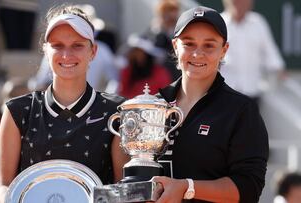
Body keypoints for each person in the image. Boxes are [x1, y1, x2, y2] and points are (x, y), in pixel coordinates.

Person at [0, 4, 129, 203]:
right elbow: (4, 185)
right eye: (57, 45)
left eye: (77, 45)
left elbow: (123, 186)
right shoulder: (17, 111)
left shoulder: (117, 112)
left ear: (93, 51)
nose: (66, 55)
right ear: (45, 51)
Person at [152, 6, 269, 203]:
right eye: (189, 43)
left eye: (209, 45)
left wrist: (186, 188)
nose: (197, 54)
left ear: (224, 50)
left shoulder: (241, 111)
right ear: (175, 46)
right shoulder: (152, 106)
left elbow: (249, 188)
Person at [220, 0, 286, 104]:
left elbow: (269, 50)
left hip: (251, 91)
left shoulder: (258, 22)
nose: (239, 4)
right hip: (224, 93)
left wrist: (278, 68)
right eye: (235, 1)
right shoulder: (219, 23)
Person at [118, 34, 172, 98]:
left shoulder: (160, 72)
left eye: (139, 51)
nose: (135, 55)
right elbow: (122, 93)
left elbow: (166, 95)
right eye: (134, 51)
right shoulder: (127, 71)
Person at [143, 0, 181, 81]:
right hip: (157, 72)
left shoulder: (180, 29)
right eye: (165, 13)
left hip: (175, 70)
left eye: (172, 11)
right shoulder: (155, 29)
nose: (169, 16)